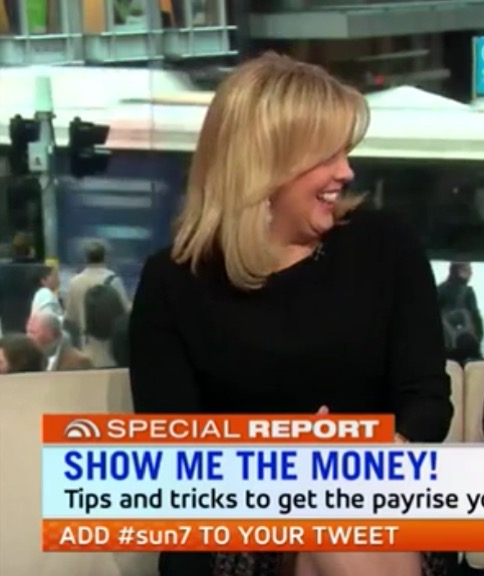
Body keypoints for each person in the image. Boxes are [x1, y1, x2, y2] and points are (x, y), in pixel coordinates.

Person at [128, 53, 454, 576]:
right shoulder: (173, 281)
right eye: (327, 156)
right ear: (266, 165)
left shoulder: (384, 246)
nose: (346, 171)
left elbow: (427, 400)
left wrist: (374, 455)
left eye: (345, 152)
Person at [64, 241, 131, 344]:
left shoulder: (75, 282)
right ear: (105, 257)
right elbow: (124, 311)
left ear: (85, 258)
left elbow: (70, 317)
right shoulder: (113, 280)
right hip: (109, 341)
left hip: (84, 341)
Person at [437, 262, 484, 363]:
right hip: (467, 345)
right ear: (458, 271)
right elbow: (476, 317)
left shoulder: (439, 290)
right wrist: (477, 338)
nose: (471, 273)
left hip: (446, 346)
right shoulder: (467, 292)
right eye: (467, 270)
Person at [26, 312, 92, 371]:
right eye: (27, 332)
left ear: (51, 334)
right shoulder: (30, 360)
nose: (28, 337)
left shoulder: (79, 362)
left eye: (32, 333)